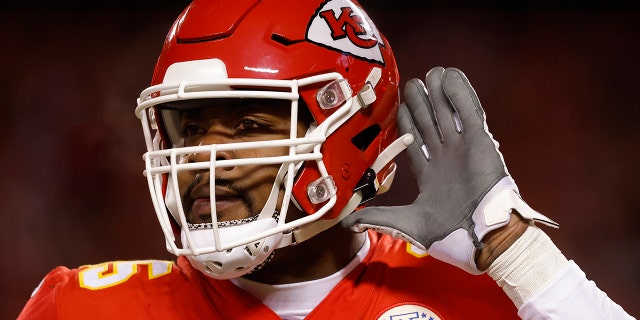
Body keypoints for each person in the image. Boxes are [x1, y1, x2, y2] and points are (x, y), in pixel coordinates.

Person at [18, 0, 635, 319]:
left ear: (350, 134)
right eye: (191, 127)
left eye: (250, 124)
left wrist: (516, 250)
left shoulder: (478, 301)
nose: (208, 154)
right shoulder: (82, 308)